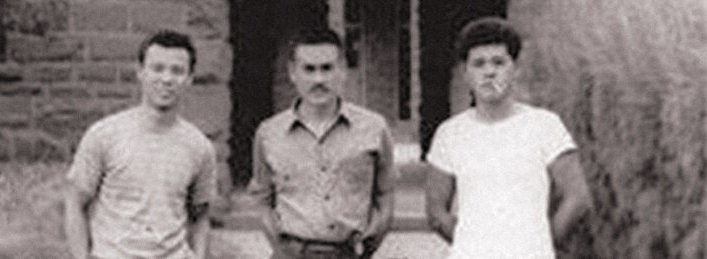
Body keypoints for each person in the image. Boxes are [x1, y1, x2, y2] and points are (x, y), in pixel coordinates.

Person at [425, 17, 592, 258]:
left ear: (516, 69)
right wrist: (471, 243)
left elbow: (578, 197)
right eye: (478, 64)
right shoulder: (450, 134)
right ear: (466, 73)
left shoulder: (545, 126)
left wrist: (542, 242)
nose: (489, 72)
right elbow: (435, 212)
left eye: (498, 62)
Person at [64, 30, 216, 259]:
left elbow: (201, 216)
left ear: (189, 79)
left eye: (177, 71)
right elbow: (75, 202)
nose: (166, 79)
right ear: (140, 72)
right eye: (157, 68)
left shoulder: (199, 147)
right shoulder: (104, 135)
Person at [248, 28, 397, 259]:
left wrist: (369, 245)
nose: (318, 79)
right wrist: (280, 247)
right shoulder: (269, 133)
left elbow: (385, 194)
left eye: (327, 68)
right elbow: (262, 198)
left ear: (343, 70)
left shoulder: (374, 128)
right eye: (309, 69)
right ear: (292, 72)